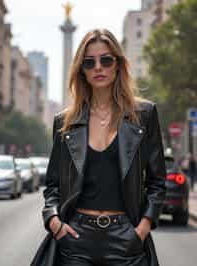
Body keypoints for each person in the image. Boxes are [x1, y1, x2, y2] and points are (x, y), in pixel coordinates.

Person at [42, 29, 166, 266]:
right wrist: (55, 222)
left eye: (106, 60)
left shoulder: (144, 115)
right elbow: (52, 185)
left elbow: (157, 182)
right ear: (82, 71)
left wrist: (143, 227)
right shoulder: (64, 122)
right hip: (75, 239)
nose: (98, 67)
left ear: (118, 65)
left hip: (126, 239)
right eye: (89, 62)